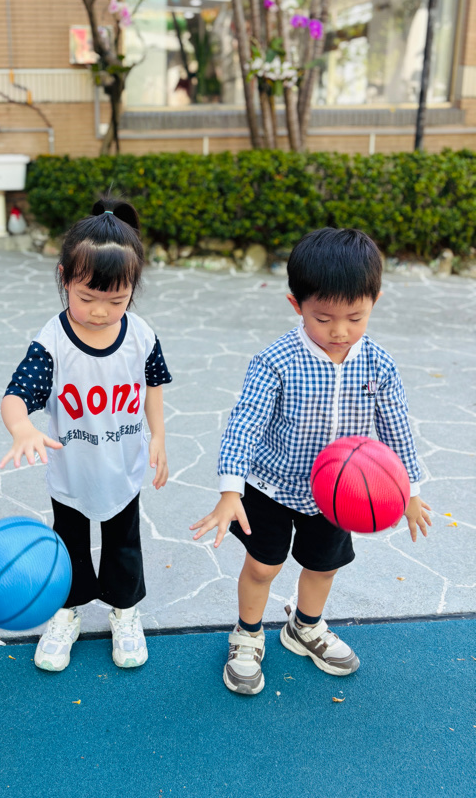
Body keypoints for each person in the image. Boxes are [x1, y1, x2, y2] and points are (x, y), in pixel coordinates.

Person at [190, 227, 431, 696]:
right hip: (271, 486)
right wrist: (230, 490)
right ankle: (247, 634)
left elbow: (397, 427)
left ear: (375, 302)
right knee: (263, 567)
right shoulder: (276, 361)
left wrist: (411, 492)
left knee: (323, 566)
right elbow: (244, 424)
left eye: (355, 317)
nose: (340, 331)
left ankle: (305, 627)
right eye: (323, 318)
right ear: (296, 305)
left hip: (340, 494)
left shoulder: (379, 364)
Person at [0, 199, 172, 672]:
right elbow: (15, 395)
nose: (100, 311)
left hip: (123, 469)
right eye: (87, 297)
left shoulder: (141, 335)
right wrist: (21, 427)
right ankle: (66, 612)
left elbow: (154, 382)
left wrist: (158, 436)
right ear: (64, 279)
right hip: (71, 474)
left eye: (116, 301)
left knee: (124, 546)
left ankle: (124, 612)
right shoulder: (52, 342)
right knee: (70, 546)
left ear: (133, 288)